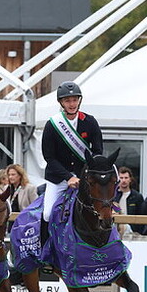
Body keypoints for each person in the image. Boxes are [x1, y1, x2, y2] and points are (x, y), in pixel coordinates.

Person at [40, 81, 103, 239]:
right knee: (47, 213)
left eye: (75, 100)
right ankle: (45, 248)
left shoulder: (90, 122)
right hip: (58, 178)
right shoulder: (52, 125)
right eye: (68, 101)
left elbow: (97, 152)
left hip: (85, 177)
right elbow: (49, 157)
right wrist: (68, 177)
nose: (72, 104)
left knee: (101, 208)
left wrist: (85, 174)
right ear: (61, 102)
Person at [114, 166, 144, 235]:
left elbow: (141, 215)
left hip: (133, 232)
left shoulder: (137, 197)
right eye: (121, 178)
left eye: (126, 178)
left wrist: (139, 232)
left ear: (130, 179)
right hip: (116, 231)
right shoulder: (113, 196)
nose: (123, 180)